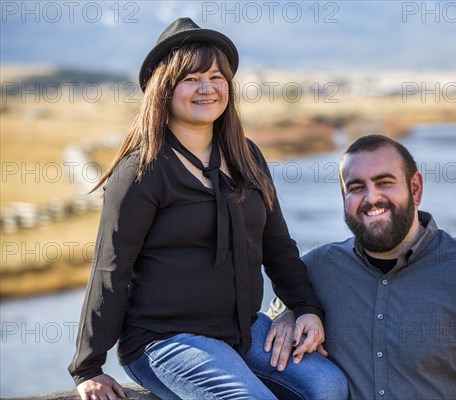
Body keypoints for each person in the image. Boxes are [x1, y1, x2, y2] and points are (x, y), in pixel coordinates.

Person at [68, 17, 348, 400]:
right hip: (164, 340)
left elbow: (277, 245)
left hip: (242, 331)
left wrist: (303, 308)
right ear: (164, 89)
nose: (207, 88)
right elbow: (111, 268)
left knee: (329, 386)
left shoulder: (247, 156)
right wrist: (88, 367)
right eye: (191, 78)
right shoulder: (141, 172)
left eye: (217, 77)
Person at [267, 134, 456, 399]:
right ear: (344, 197)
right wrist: (293, 311)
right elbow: (263, 343)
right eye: (357, 187)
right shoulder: (314, 271)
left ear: (415, 188)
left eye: (384, 182)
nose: (372, 198)